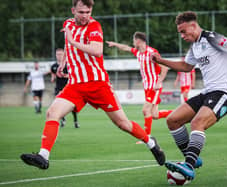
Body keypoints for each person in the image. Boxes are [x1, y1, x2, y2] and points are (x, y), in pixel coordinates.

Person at [20, 0, 165, 170]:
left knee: (123, 124)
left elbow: (97, 50)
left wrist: (73, 41)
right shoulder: (67, 23)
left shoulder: (94, 26)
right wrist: (63, 63)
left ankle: (150, 142)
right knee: (52, 113)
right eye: (81, 12)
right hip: (75, 85)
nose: (85, 16)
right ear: (73, 10)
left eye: (88, 12)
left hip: (98, 84)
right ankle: (43, 156)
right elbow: (68, 44)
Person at [151, 11, 227, 181]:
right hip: (209, 92)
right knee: (173, 120)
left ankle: (189, 165)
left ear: (194, 25)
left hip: (226, 92)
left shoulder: (212, 37)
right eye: (180, 33)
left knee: (197, 123)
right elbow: (186, 66)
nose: (182, 36)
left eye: (184, 31)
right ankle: (192, 158)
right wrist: (161, 60)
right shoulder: (195, 46)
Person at [106, 32, 173, 143]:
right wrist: (115, 44)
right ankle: (177, 113)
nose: (133, 43)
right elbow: (126, 48)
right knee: (155, 115)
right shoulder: (138, 53)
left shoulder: (152, 53)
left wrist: (158, 82)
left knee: (145, 110)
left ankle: (147, 137)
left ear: (138, 41)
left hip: (154, 87)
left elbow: (165, 67)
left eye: (133, 40)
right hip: (147, 87)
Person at [51, 48, 80, 128]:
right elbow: (53, 76)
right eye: (57, 54)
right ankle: (63, 120)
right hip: (58, 88)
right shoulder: (54, 66)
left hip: (68, 88)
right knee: (58, 105)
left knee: (72, 106)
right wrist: (53, 78)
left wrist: (64, 75)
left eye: (61, 54)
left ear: (64, 54)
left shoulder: (68, 65)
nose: (59, 56)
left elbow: (73, 75)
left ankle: (75, 121)